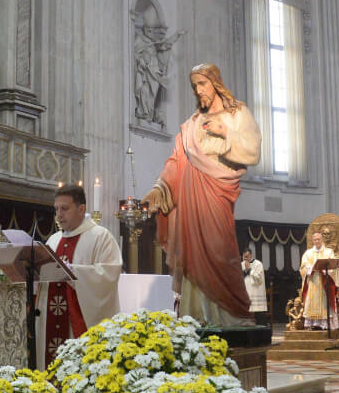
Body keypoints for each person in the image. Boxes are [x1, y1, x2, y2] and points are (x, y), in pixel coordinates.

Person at [143, 63, 261, 325]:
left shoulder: (237, 113)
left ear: (215, 83)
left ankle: (232, 317)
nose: (198, 90)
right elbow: (176, 161)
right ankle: (196, 316)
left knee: (221, 252)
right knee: (192, 256)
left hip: (218, 193)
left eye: (202, 83)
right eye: (194, 86)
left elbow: (253, 149)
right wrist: (159, 188)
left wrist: (226, 132)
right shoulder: (191, 125)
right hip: (190, 199)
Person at [35, 184, 122, 367]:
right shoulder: (53, 240)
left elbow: (108, 274)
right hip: (51, 317)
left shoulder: (101, 236)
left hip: (78, 321)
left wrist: (73, 271)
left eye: (65, 209)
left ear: (81, 209)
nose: (59, 215)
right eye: (56, 209)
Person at [299, 230, 339, 330]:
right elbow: (303, 267)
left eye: (318, 239)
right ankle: (313, 324)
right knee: (312, 302)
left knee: (325, 302)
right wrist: (310, 268)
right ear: (312, 241)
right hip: (313, 281)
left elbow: (333, 267)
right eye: (315, 240)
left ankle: (325, 324)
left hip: (324, 282)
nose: (317, 241)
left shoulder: (329, 252)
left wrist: (325, 270)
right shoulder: (308, 253)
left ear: (322, 240)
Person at [242, 249, 267, 318]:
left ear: (251, 255)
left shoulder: (258, 264)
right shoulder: (242, 264)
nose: (245, 259)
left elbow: (259, 278)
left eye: (246, 256)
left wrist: (249, 269)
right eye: (244, 257)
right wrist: (245, 271)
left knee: (257, 312)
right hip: (246, 290)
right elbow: (240, 276)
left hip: (256, 290)